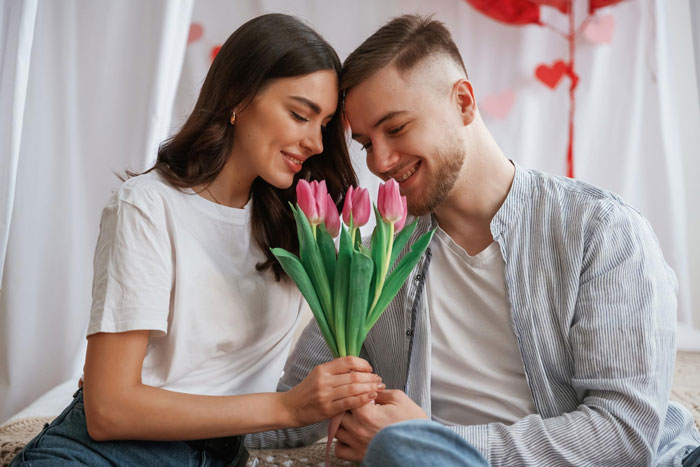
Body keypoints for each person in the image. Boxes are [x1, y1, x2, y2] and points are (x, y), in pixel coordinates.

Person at [246, 14, 700, 466]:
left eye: (397, 128)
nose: (380, 163)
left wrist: (427, 438)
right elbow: (296, 407)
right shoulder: (377, 263)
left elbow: (624, 434)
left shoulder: (600, 232)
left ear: (463, 102)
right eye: (365, 143)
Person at [10, 13, 384, 467]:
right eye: (299, 114)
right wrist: (286, 409)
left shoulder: (299, 223)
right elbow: (107, 410)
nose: (315, 143)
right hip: (109, 455)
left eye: (324, 124)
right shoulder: (148, 207)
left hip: (221, 455)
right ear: (237, 98)